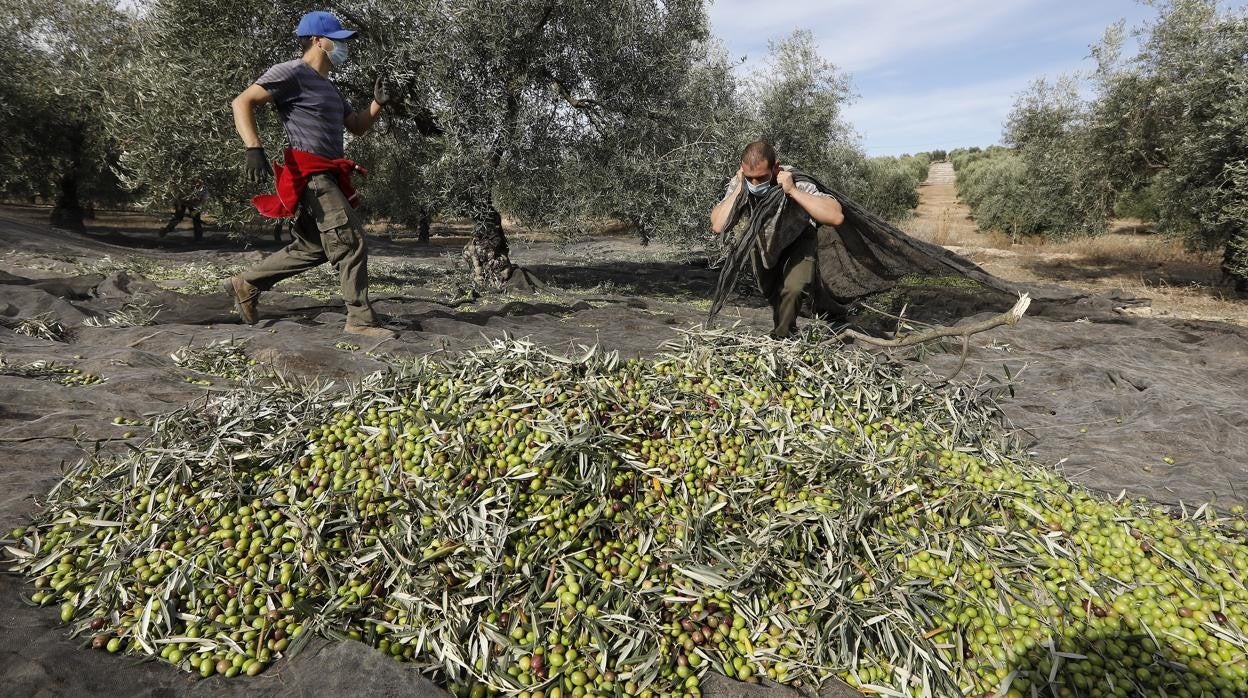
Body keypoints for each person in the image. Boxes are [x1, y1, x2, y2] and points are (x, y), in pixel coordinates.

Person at [222, 10, 396, 338]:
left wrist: (376, 104)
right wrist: (253, 147)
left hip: (328, 174)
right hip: (311, 175)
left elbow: (356, 127)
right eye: (338, 40)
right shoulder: (292, 73)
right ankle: (360, 319)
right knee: (350, 239)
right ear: (317, 40)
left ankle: (246, 284)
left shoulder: (330, 88)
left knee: (314, 248)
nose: (344, 47)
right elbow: (241, 102)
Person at [710, 141, 845, 338]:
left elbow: (835, 216)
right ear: (742, 170)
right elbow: (718, 225)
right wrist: (740, 188)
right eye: (750, 178)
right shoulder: (741, 184)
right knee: (772, 294)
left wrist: (792, 191)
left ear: (776, 167)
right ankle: (784, 330)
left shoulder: (797, 181)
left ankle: (782, 338)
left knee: (794, 289)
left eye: (762, 177)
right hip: (764, 243)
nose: (755, 184)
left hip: (799, 240)